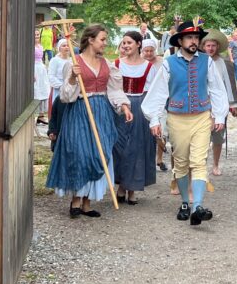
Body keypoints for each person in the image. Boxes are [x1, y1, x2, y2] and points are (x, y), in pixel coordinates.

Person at [142, 20, 229, 226]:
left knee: (199, 161)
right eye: (190, 37)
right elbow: (159, 92)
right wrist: (154, 118)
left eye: (197, 38)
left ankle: (197, 205)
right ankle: (184, 202)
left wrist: (218, 114)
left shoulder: (206, 61)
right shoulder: (169, 62)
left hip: (201, 116)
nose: (194, 41)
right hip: (177, 118)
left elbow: (216, 88)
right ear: (180, 40)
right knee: (181, 162)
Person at [46, 24, 133, 218]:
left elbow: (115, 90)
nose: (105, 43)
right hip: (79, 111)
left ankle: (87, 203)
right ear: (91, 40)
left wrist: (124, 106)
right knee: (81, 154)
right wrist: (72, 79)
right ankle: (76, 199)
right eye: (102, 39)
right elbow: (66, 97)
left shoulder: (108, 65)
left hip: (101, 111)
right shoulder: (73, 64)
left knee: (99, 153)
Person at [112, 31, 157, 204]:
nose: (125, 46)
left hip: (140, 105)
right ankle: (122, 184)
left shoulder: (148, 67)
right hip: (119, 106)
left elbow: (152, 92)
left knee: (137, 147)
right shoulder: (115, 64)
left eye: (129, 42)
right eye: (123, 43)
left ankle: (131, 189)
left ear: (139, 44)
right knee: (120, 146)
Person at [200, 29, 237, 176]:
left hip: (218, 104)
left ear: (217, 47)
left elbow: (229, 84)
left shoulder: (223, 63)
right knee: (202, 136)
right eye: (208, 45)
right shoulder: (199, 61)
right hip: (202, 105)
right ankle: (200, 164)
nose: (210, 48)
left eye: (213, 46)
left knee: (217, 136)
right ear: (203, 46)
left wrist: (232, 104)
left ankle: (215, 164)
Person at [141, 39, 168, 171]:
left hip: (159, 98)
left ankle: (159, 158)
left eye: (151, 50)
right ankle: (145, 159)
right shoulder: (140, 62)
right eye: (146, 50)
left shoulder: (162, 62)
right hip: (144, 96)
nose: (149, 53)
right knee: (144, 132)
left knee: (160, 130)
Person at [34, 33, 50, 121]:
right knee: (36, 89)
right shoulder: (31, 47)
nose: (37, 36)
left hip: (41, 68)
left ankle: (41, 115)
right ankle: (34, 114)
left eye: (38, 34)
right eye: (35, 34)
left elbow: (42, 58)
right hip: (35, 68)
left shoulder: (40, 46)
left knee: (43, 89)